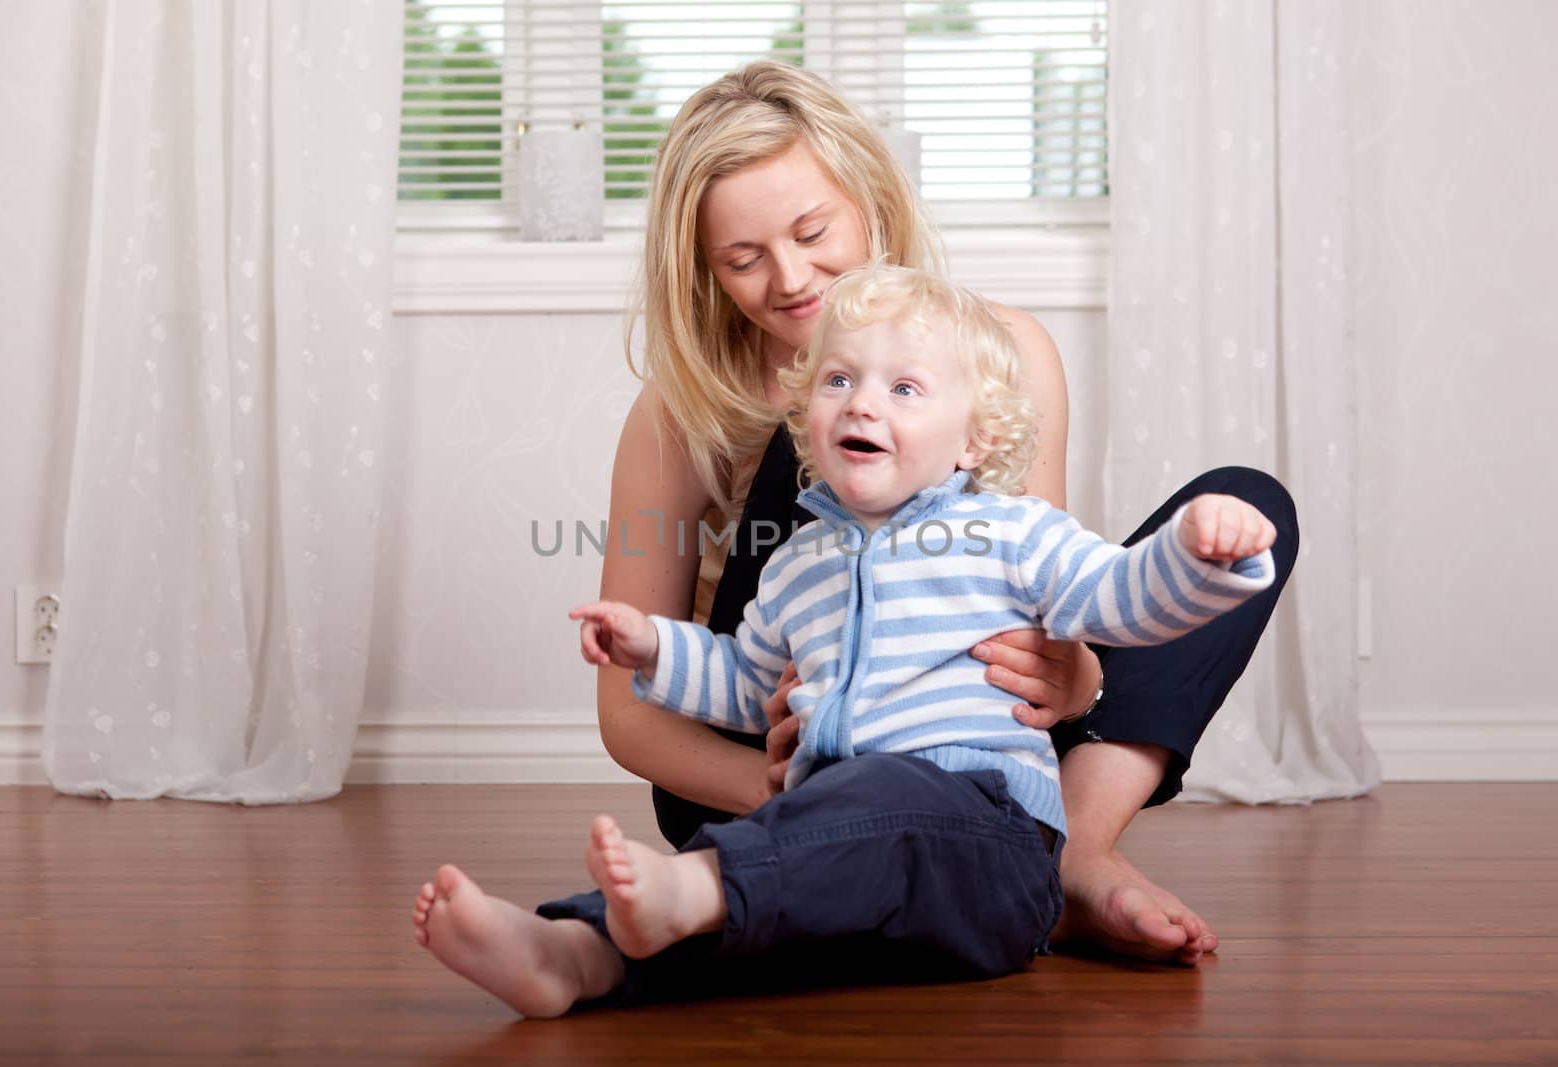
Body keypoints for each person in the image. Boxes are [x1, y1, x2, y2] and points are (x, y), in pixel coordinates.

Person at [572, 59, 1298, 967]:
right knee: (827, 442)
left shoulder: (1003, 351)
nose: (792, 279)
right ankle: (864, 851)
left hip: (968, 738)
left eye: (811, 231)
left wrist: (1080, 679)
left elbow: (1039, 594)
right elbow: (627, 717)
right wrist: (800, 787)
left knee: (1243, 516)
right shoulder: (680, 413)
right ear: (705, 270)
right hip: (777, 758)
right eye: (743, 260)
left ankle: (1066, 849)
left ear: (871, 199)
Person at [410, 262, 1278, 1016]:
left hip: (985, 841)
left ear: (976, 436)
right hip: (845, 845)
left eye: (904, 389)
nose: (863, 400)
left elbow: (1118, 599)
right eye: (839, 382)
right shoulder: (797, 563)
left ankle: (690, 889)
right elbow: (745, 683)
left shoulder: (1009, 533)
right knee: (775, 912)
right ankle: (571, 955)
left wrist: (1195, 551)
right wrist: (653, 649)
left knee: (845, 817)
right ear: (808, 416)